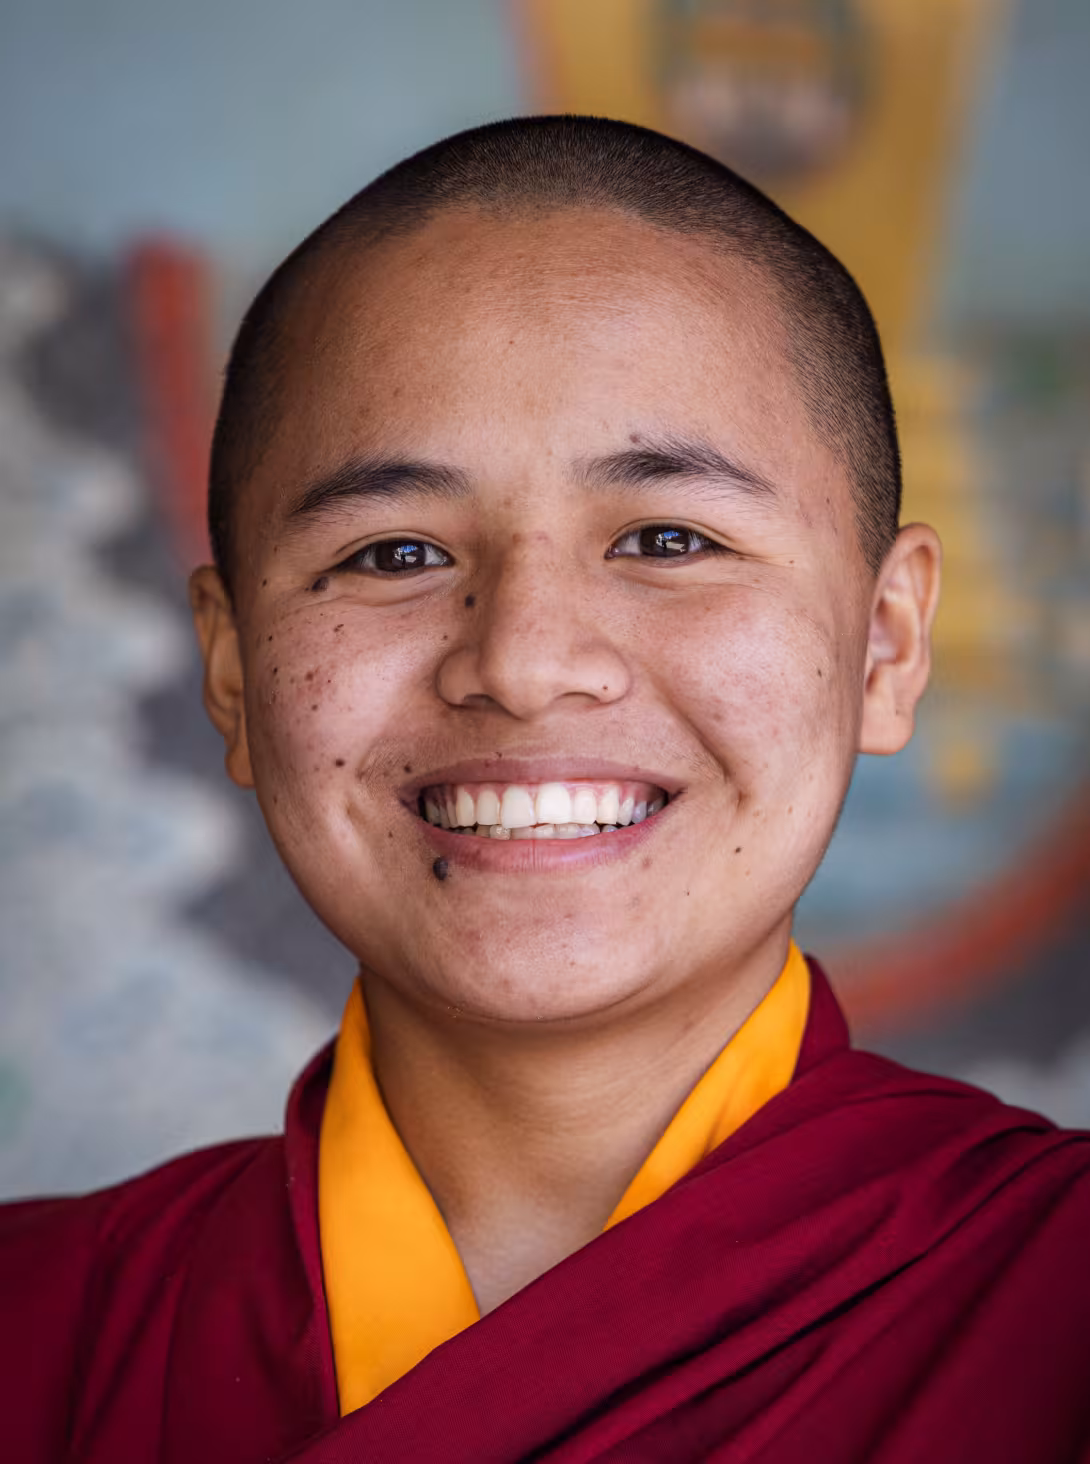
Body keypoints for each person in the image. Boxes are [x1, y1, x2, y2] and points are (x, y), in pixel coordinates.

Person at [2, 115, 1088, 1464]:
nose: (520, 664)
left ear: (885, 643)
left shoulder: (1054, 1300)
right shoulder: (30, 1338)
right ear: (231, 670)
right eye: (394, 553)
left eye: (667, 539)